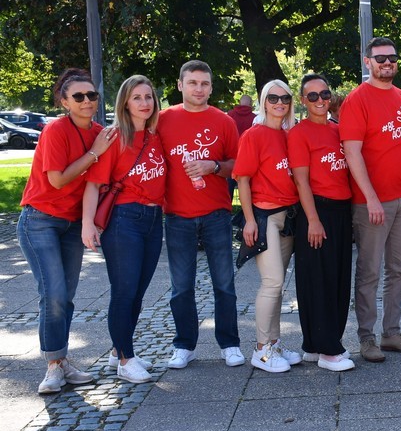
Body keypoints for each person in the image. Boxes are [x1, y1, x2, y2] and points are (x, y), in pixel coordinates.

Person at [19, 69, 117, 394]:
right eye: (79, 96)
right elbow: (57, 180)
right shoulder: (56, 130)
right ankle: (53, 366)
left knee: (67, 296)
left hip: (73, 224)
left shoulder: (101, 133)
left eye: (92, 95)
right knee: (54, 294)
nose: (87, 101)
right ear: (64, 101)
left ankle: (61, 362)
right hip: (40, 220)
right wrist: (94, 154)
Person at [339, 37, 401, 361]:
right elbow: (352, 152)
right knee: (369, 272)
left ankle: (392, 333)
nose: (387, 63)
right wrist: (371, 198)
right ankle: (367, 338)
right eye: (380, 58)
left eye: (391, 58)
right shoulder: (356, 100)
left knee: (399, 269)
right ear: (367, 62)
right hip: (371, 203)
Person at [81, 75, 167, 383]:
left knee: (139, 292)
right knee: (124, 290)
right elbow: (93, 185)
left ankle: (123, 350)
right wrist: (87, 225)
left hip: (154, 219)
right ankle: (124, 358)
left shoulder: (155, 136)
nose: (144, 103)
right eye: (137, 98)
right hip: (124, 220)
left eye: (148, 97)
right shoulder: (114, 137)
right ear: (125, 103)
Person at [159, 60, 244, 369]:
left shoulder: (223, 121)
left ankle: (230, 343)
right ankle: (184, 345)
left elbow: (238, 164)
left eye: (204, 83)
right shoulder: (162, 120)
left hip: (216, 214)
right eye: (192, 82)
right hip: (178, 215)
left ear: (211, 87)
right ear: (180, 85)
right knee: (181, 286)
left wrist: (214, 167)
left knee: (224, 284)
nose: (199, 88)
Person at [288, 74, 355, 372]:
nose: (319, 100)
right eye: (312, 96)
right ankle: (328, 350)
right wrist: (313, 220)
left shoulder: (337, 129)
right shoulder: (299, 133)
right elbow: (301, 181)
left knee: (338, 278)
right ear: (303, 101)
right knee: (319, 280)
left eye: (324, 94)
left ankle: (314, 345)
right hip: (317, 212)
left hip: (342, 211)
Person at [235, 80, 301, 372]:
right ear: (263, 101)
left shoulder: (290, 134)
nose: (279, 103)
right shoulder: (253, 135)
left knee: (278, 286)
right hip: (264, 216)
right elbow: (243, 179)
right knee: (272, 282)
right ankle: (261, 352)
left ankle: (274, 344)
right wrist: (249, 220)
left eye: (284, 98)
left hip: (289, 216)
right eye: (272, 98)